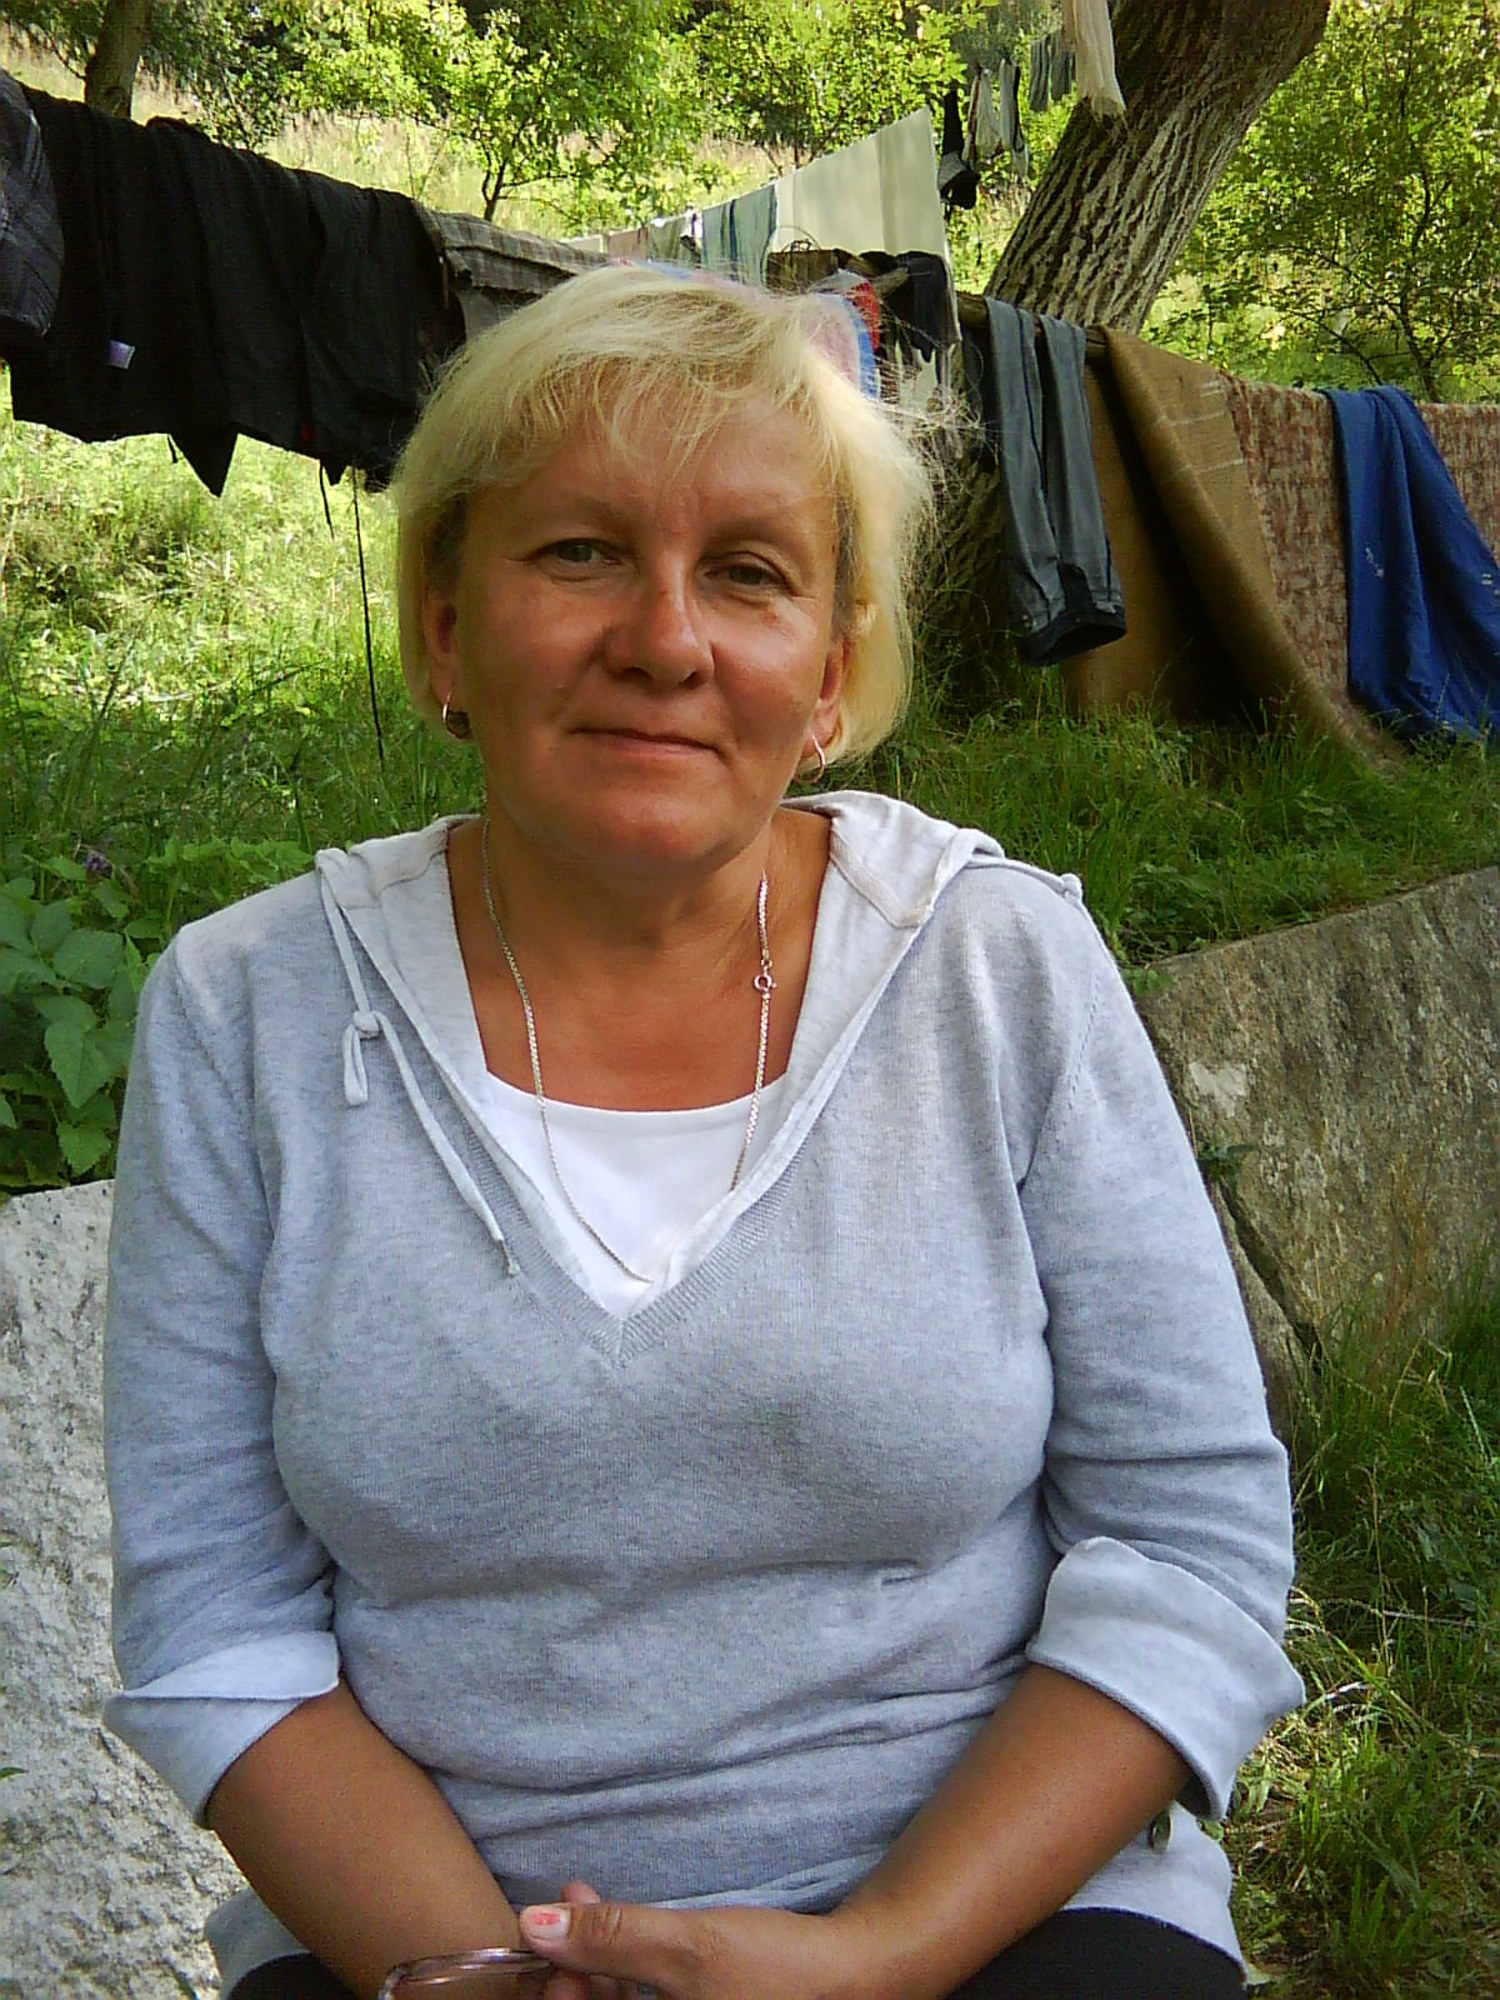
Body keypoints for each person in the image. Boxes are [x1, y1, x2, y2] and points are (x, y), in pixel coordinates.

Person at [103, 264, 1302, 2000]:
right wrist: (493, 1976)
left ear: (832, 671)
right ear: (443, 628)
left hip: (999, 1915)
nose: (665, 639)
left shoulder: (997, 967)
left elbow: (1188, 1543)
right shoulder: (245, 1015)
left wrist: (879, 1956)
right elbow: (219, 1624)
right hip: (433, 1942)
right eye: (579, 551)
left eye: (748, 572)